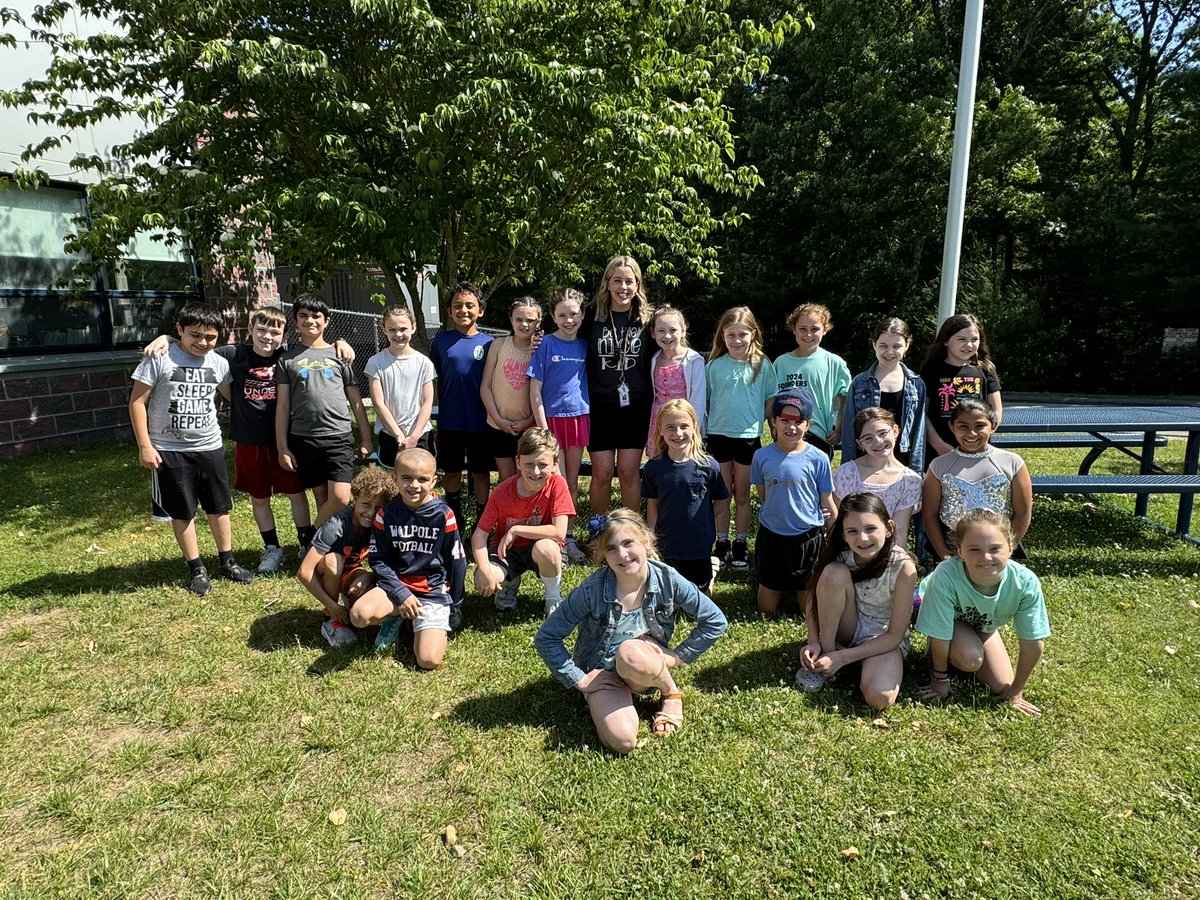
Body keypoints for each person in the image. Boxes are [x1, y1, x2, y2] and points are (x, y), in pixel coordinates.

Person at [141, 305, 353, 574]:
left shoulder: (287, 357)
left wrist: (340, 342)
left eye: (274, 332)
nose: (267, 337)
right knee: (259, 498)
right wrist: (167, 339)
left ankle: (304, 543)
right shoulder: (232, 355)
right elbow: (197, 345)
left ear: (284, 336)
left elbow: (315, 349)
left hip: (284, 441)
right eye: (261, 330)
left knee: (296, 494)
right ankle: (272, 547)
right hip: (248, 442)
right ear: (250, 329)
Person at [533, 509, 728, 754]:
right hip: (602, 675)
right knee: (623, 741)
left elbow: (715, 620)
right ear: (603, 554)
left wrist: (677, 656)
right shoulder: (592, 590)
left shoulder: (668, 579)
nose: (622, 555)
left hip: (641, 666)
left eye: (628, 543)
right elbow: (547, 637)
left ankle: (670, 693)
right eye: (611, 548)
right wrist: (580, 679)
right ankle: (614, 702)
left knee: (629, 652)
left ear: (645, 540)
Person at [129, 302, 254, 595]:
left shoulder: (219, 363)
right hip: (169, 449)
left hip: (210, 445)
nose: (202, 342)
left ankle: (228, 561)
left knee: (219, 507)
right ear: (180, 330)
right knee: (183, 511)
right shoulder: (159, 357)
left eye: (210, 337)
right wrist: (145, 445)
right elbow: (137, 402)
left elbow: (233, 397)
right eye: (195, 335)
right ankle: (196, 568)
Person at [916, 508, 1049, 716]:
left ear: (1011, 547)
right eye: (974, 550)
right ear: (960, 551)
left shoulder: (1025, 582)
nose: (986, 557)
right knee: (970, 659)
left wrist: (1016, 690)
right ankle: (945, 650)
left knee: (1001, 685)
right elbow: (940, 632)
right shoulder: (946, 574)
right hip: (940, 614)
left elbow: (1033, 641)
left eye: (995, 548)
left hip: (982, 622)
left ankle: (976, 635)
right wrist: (940, 678)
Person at [794, 493, 919, 709]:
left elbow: (894, 635)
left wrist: (843, 658)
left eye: (870, 528)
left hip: (882, 639)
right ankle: (825, 651)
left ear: (889, 528)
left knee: (880, 698)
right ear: (843, 535)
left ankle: (842, 660)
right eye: (852, 531)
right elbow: (813, 599)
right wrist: (813, 640)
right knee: (833, 573)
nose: (862, 538)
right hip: (847, 628)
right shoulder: (840, 556)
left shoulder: (904, 568)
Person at [358, 449, 467, 669]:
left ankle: (420, 620)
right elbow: (378, 560)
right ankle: (397, 615)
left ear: (434, 481)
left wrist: (454, 603)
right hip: (397, 586)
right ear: (395, 479)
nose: (414, 485)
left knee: (428, 660)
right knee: (359, 615)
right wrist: (400, 594)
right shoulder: (386, 514)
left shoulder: (443, 514)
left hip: (432, 590)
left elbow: (456, 561)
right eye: (406, 478)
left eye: (423, 479)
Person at [275, 293, 373, 533]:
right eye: (303, 316)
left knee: (340, 497)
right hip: (304, 437)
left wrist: (366, 437)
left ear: (326, 321)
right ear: (296, 321)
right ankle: (327, 543)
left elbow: (356, 400)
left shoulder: (341, 355)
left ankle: (312, 536)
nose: (310, 320)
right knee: (320, 495)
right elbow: (283, 406)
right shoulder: (286, 360)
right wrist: (282, 447)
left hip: (338, 436)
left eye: (316, 316)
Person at [581, 256, 656, 515]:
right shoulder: (591, 315)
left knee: (628, 471)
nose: (623, 287)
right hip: (599, 405)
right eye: (617, 281)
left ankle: (630, 528)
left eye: (629, 281)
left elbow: (670, 346)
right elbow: (564, 334)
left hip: (635, 406)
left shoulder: (648, 319)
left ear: (637, 285)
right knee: (601, 472)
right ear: (607, 283)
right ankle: (600, 528)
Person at [471, 428, 574, 616]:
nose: (536, 471)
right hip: (507, 550)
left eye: (543, 464)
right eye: (529, 464)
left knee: (547, 549)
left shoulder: (558, 485)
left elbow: (559, 532)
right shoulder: (502, 491)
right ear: (518, 462)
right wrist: (484, 568)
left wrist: (516, 529)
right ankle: (509, 582)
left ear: (555, 464)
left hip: (539, 547)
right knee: (481, 580)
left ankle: (553, 597)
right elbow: (480, 535)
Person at [751, 393, 838, 616]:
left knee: (807, 612)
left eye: (798, 422)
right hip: (772, 535)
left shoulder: (819, 458)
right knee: (765, 610)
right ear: (773, 421)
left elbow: (826, 500)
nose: (791, 427)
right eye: (785, 420)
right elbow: (764, 497)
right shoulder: (761, 456)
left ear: (808, 424)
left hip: (807, 538)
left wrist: (836, 537)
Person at [706, 306, 777, 570]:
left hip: (748, 438)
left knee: (743, 494)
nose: (737, 340)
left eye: (742, 334)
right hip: (718, 436)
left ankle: (741, 542)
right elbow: (708, 400)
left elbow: (770, 398)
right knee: (722, 493)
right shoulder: (714, 366)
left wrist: (758, 419)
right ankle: (722, 541)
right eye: (731, 335)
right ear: (722, 336)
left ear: (753, 334)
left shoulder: (762, 365)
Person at [296, 465, 396, 647]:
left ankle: (350, 604)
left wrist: (368, 576)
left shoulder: (380, 523)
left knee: (371, 602)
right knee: (333, 561)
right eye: (366, 504)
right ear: (355, 499)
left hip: (351, 569)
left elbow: (387, 562)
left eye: (378, 507)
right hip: (323, 570)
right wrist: (333, 607)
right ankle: (331, 620)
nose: (371, 513)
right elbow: (304, 571)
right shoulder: (336, 524)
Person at [922, 398, 1032, 561]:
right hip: (952, 546)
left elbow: (1023, 512)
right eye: (963, 426)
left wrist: (1006, 548)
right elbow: (929, 514)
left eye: (980, 426)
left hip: (998, 548)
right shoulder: (939, 465)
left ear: (993, 426)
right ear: (952, 427)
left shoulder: (1012, 462)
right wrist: (945, 555)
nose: (972, 433)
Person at [641, 399, 729, 593]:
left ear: (695, 427)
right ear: (660, 430)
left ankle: (710, 573)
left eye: (684, 426)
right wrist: (650, 538)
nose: (678, 433)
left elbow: (721, 505)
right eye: (670, 427)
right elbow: (653, 506)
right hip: (667, 544)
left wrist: (713, 532)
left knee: (699, 596)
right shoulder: (653, 468)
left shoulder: (709, 466)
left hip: (699, 545)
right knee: (668, 596)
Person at [529, 288, 590, 564]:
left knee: (570, 483)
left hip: (577, 419)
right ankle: (550, 538)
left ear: (582, 315)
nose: (569, 320)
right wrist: (544, 431)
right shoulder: (544, 344)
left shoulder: (585, 345)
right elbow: (535, 391)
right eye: (562, 315)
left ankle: (569, 538)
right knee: (553, 481)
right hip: (549, 422)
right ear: (553, 317)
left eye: (574, 314)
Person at [429, 281, 494, 526]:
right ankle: (454, 517)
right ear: (449, 311)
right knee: (451, 471)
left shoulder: (490, 343)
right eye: (457, 306)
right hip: (450, 421)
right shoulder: (441, 341)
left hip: (480, 422)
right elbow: (434, 378)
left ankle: (481, 521)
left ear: (480, 310)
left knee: (481, 472)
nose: (463, 310)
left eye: (469, 305)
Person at [840, 317, 926, 470]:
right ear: (874, 344)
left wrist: (916, 470)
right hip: (865, 460)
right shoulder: (859, 382)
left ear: (907, 345)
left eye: (896, 346)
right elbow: (849, 429)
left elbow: (919, 431)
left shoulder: (916, 384)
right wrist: (848, 468)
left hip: (901, 462)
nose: (889, 352)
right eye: (883, 345)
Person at [833, 408, 923, 548]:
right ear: (860, 443)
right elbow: (838, 520)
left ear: (895, 431)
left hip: (888, 551)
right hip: (851, 548)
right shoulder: (847, 474)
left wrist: (896, 559)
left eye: (882, 433)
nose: (878, 441)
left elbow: (899, 528)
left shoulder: (909, 481)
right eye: (868, 438)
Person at [920, 313, 1002, 462]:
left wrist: (982, 438)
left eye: (974, 339)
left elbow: (996, 410)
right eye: (961, 339)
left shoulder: (985, 369)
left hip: (978, 449)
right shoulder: (931, 370)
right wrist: (939, 445)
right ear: (946, 340)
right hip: (940, 452)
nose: (969, 345)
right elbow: (923, 413)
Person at [774, 303, 851, 457]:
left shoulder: (834, 363)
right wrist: (773, 427)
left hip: (819, 436)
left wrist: (838, 430)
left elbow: (846, 399)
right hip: (786, 434)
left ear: (825, 330)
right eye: (802, 328)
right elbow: (771, 400)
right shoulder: (780, 363)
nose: (808, 334)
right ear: (794, 329)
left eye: (814, 329)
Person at [364, 304, 436, 468]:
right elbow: (378, 403)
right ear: (384, 329)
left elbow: (427, 403)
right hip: (390, 435)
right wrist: (398, 435)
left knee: (420, 477)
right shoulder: (375, 363)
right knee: (393, 479)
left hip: (420, 434)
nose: (398, 334)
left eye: (403, 329)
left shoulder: (424, 363)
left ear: (413, 327)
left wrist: (414, 437)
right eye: (392, 329)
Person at [481, 297, 540, 481]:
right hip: (498, 425)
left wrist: (529, 421)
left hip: (529, 427)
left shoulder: (541, 349)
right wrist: (498, 420)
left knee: (527, 477)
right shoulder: (498, 345)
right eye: (519, 319)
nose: (524, 324)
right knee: (506, 478)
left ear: (538, 322)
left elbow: (544, 393)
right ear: (511, 320)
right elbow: (485, 386)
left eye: (530, 320)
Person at [645, 306, 706, 456]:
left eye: (673, 330)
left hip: (682, 424)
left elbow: (698, 398)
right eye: (661, 331)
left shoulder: (693, 360)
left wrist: (694, 428)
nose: (667, 336)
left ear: (683, 330)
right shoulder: (654, 359)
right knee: (659, 461)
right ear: (653, 333)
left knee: (681, 461)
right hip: (659, 422)